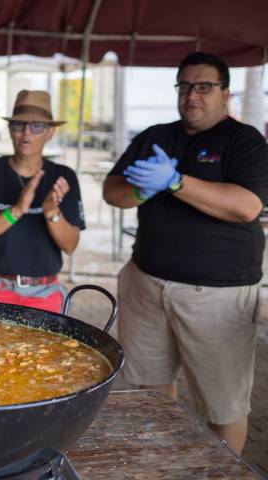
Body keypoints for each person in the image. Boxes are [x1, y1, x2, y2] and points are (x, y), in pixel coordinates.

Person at [103, 51, 268, 454]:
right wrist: (141, 190)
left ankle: (223, 469)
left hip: (216, 296)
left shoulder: (243, 141)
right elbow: (112, 191)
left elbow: (246, 206)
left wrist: (176, 182)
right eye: (185, 86)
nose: (192, 95)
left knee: (221, 403)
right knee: (151, 389)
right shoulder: (155, 135)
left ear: (225, 93)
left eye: (204, 87)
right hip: (147, 283)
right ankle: (165, 461)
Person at [0, 90, 84, 313]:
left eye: (37, 126)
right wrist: (17, 210)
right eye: (18, 125)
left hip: (43, 292)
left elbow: (70, 245)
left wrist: (51, 212)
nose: (26, 132)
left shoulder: (63, 177)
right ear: (10, 130)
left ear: (50, 132)